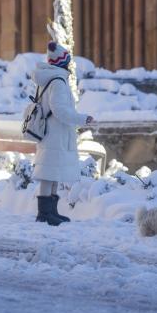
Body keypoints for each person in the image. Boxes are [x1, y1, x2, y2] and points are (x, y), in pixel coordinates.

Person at [31, 42, 93, 226]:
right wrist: (81, 118)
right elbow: (59, 110)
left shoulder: (50, 79)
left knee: (52, 172)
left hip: (51, 132)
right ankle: (44, 213)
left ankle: (51, 212)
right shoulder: (57, 82)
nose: (69, 66)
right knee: (49, 173)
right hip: (55, 134)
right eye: (67, 62)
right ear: (62, 63)